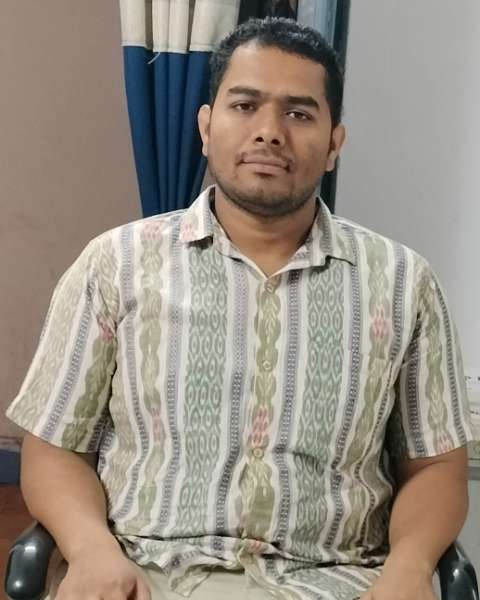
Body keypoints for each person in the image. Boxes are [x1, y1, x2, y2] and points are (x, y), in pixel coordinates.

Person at [6, 17, 474, 600]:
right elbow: (55, 445)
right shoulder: (114, 265)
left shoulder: (404, 283)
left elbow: (435, 466)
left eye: (299, 113)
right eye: (245, 106)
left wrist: (410, 566)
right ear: (206, 127)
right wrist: (89, 549)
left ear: (334, 144)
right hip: (141, 574)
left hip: (335, 581)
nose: (269, 132)